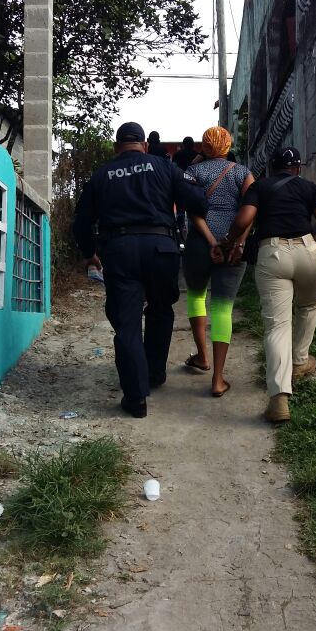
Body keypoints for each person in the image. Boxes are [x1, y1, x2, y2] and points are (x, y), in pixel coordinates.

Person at [72, 122, 208, 418]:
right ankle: (155, 372)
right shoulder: (165, 166)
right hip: (161, 249)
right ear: (145, 146)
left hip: (120, 252)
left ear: (116, 146)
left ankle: (135, 399)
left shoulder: (102, 175)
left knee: (127, 323)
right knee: (160, 310)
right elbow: (198, 202)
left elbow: (81, 222)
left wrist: (90, 253)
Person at [223, 146, 316, 423]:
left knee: (278, 326)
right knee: (309, 304)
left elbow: (244, 219)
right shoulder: (309, 188)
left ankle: (279, 398)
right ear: (298, 169)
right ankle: (300, 361)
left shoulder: (260, 187)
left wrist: (229, 241)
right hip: (310, 252)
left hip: (273, 254)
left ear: (272, 167)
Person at [182, 126, 255, 397]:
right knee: (223, 308)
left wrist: (211, 241)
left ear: (204, 146)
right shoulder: (242, 173)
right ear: (228, 145)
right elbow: (251, 211)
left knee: (196, 296)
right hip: (232, 246)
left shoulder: (193, 172)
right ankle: (218, 379)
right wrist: (239, 241)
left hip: (199, 244)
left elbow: (192, 209)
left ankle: (202, 357)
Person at [172, 137, 197, 236]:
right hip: (193, 186)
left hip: (180, 185)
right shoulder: (196, 155)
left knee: (180, 211)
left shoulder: (177, 154)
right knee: (193, 211)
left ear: (183, 145)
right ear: (193, 145)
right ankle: (192, 231)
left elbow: (173, 169)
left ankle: (180, 231)